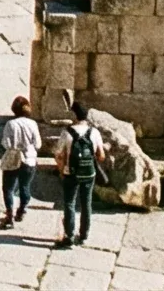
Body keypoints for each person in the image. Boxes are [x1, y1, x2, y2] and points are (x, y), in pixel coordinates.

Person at [54, 101, 105, 248]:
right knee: (86, 203)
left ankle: (69, 236)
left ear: (74, 115)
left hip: (71, 172)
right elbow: (101, 156)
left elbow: (58, 155)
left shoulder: (67, 133)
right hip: (89, 173)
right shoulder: (94, 132)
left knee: (69, 203)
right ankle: (84, 235)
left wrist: (61, 170)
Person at [0, 95, 40, 230]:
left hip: (14, 158)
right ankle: (22, 210)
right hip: (29, 159)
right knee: (25, 186)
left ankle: (9, 216)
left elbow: (5, 142)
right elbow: (38, 144)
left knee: (8, 188)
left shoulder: (11, 124)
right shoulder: (33, 123)